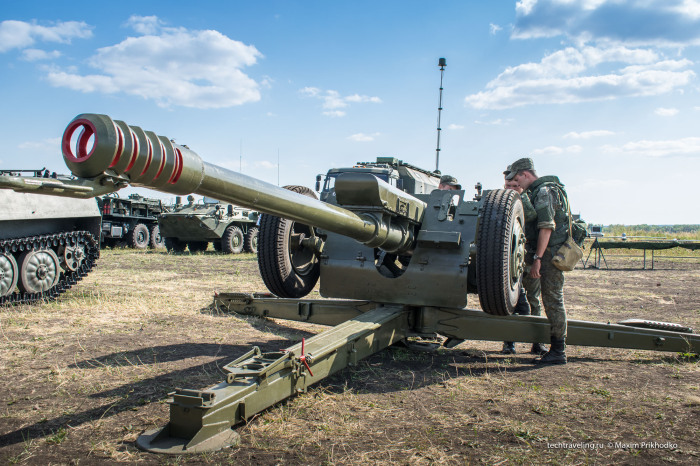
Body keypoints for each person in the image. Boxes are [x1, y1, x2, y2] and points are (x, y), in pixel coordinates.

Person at [504, 158, 570, 365]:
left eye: (517, 179)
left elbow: (546, 227)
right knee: (549, 300)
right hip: (546, 252)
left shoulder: (544, 191)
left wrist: (539, 258)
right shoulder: (541, 190)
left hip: (549, 254)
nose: (517, 184)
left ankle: (558, 351)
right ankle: (554, 348)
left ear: (525, 174)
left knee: (552, 300)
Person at [501, 175, 547, 355]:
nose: (512, 189)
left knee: (534, 301)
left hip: (528, 261)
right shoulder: (499, 205)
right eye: (508, 185)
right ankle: (508, 343)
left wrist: (537, 259)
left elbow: (538, 223)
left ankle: (537, 342)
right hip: (508, 263)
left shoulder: (530, 203)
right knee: (508, 303)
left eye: (515, 185)